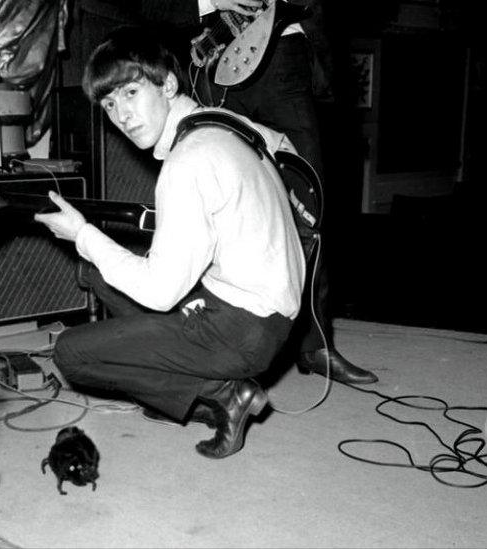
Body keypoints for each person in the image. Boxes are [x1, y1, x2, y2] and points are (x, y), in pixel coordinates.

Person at [35, 26, 306, 459]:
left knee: (70, 354)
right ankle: (195, 387)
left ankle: (220, 393)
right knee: (96, 272)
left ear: (168, 85)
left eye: (130, 92)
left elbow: (161, 294)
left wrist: (83, 234)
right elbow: (286, 150)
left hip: (244, 330)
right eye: (109, 104)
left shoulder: (186, 162)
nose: (122, 116)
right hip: (274, 308)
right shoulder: (226, 124)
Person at [172, 0, 379, 385]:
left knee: (309, 203)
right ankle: (214, 341)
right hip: (217, 56)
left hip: (284, 53)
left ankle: (315, 345)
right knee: (221, 206)